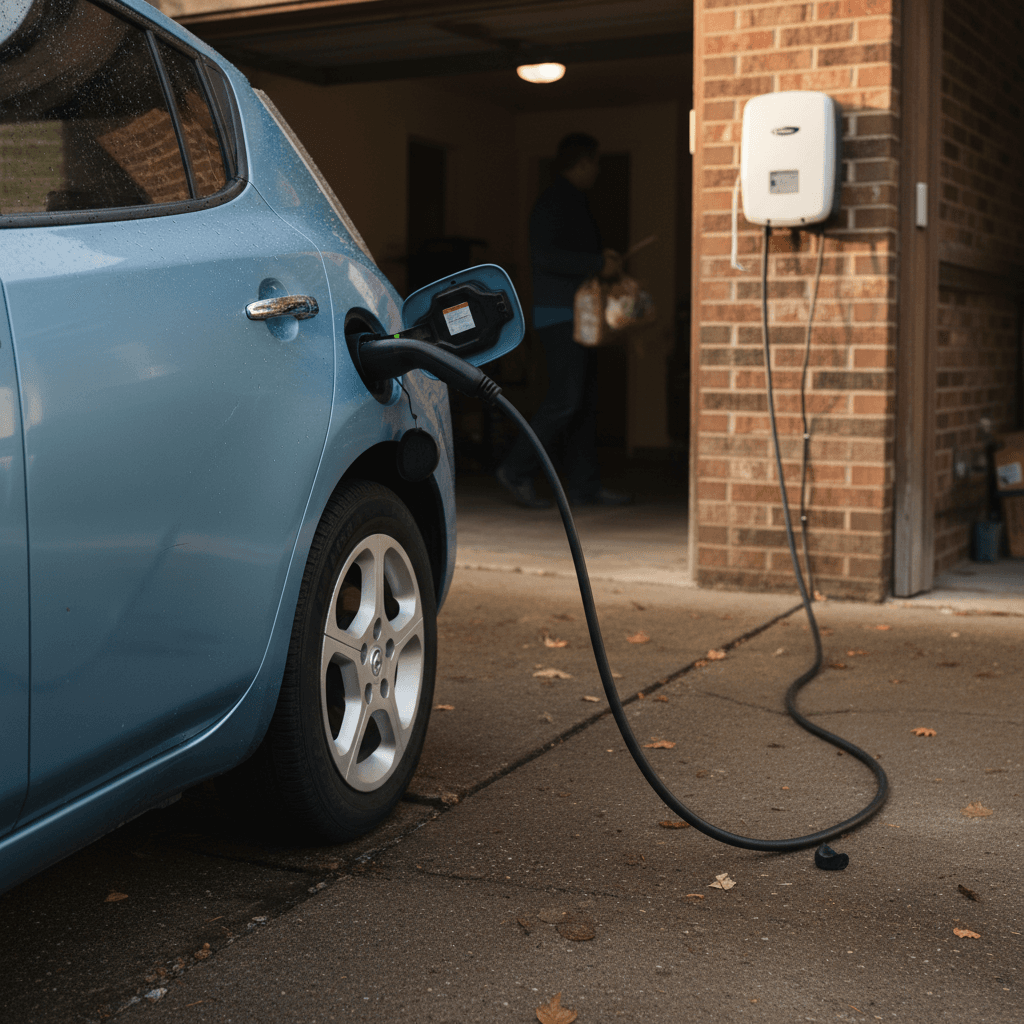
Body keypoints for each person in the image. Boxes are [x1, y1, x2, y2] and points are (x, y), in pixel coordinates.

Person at [495, 132, 631, 509]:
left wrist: (600, 261)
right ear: (584, 162)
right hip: (560, 317)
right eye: (596, 163)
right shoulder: (555, 202)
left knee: (583, 401)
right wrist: (595, 263)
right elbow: (545, 257)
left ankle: (586, 486)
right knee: (565, 400)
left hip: (579, 318)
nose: (598, 171)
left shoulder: (570, 201)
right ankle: (516, 469)